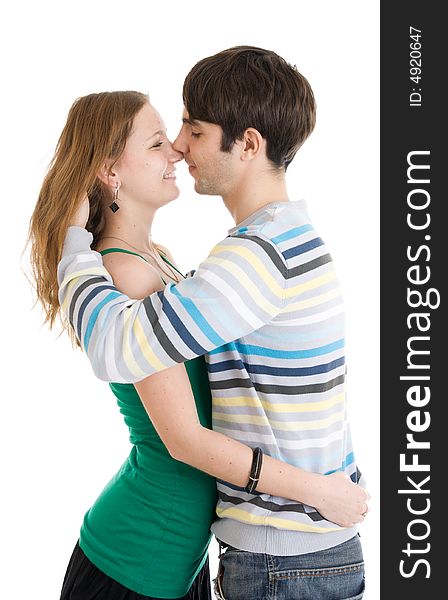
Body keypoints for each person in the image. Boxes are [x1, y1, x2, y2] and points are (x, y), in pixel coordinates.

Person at [28, 89, 367, 600]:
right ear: (109, 171)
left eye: (180, 135)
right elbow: (183, 440)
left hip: (181, 553)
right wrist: (320, 491)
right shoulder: (124, 271)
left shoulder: (158, 260)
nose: (177, 151)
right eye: (158, 142)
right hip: (140, 552)